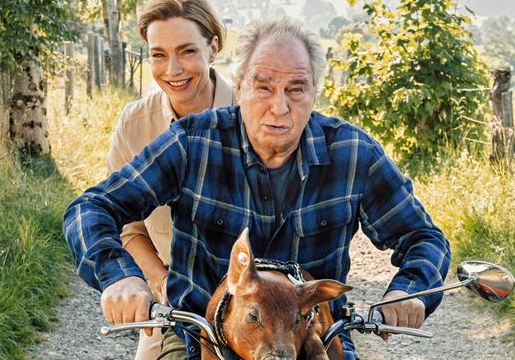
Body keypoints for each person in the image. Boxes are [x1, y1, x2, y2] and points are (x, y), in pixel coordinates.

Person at [64, 18, 450, 360]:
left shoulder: (353, 153)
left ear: (315, 92)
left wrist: (410, 293)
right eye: (263, 87)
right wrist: (120, 277)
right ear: (242, 86)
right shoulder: (192, 143)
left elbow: (423, 237)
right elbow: (92, 207)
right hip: (202, 340)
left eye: (296, 89)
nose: (279, 107)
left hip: (313, 342)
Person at [105, 0, 234, 358]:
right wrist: (161, 282)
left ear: (213, 47)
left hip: (256, 298)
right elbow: (127, 225)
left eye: (187, 51)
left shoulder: (254, 114)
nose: (172, 69)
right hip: (178, 306)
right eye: (158, 55)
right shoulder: (135, 125)